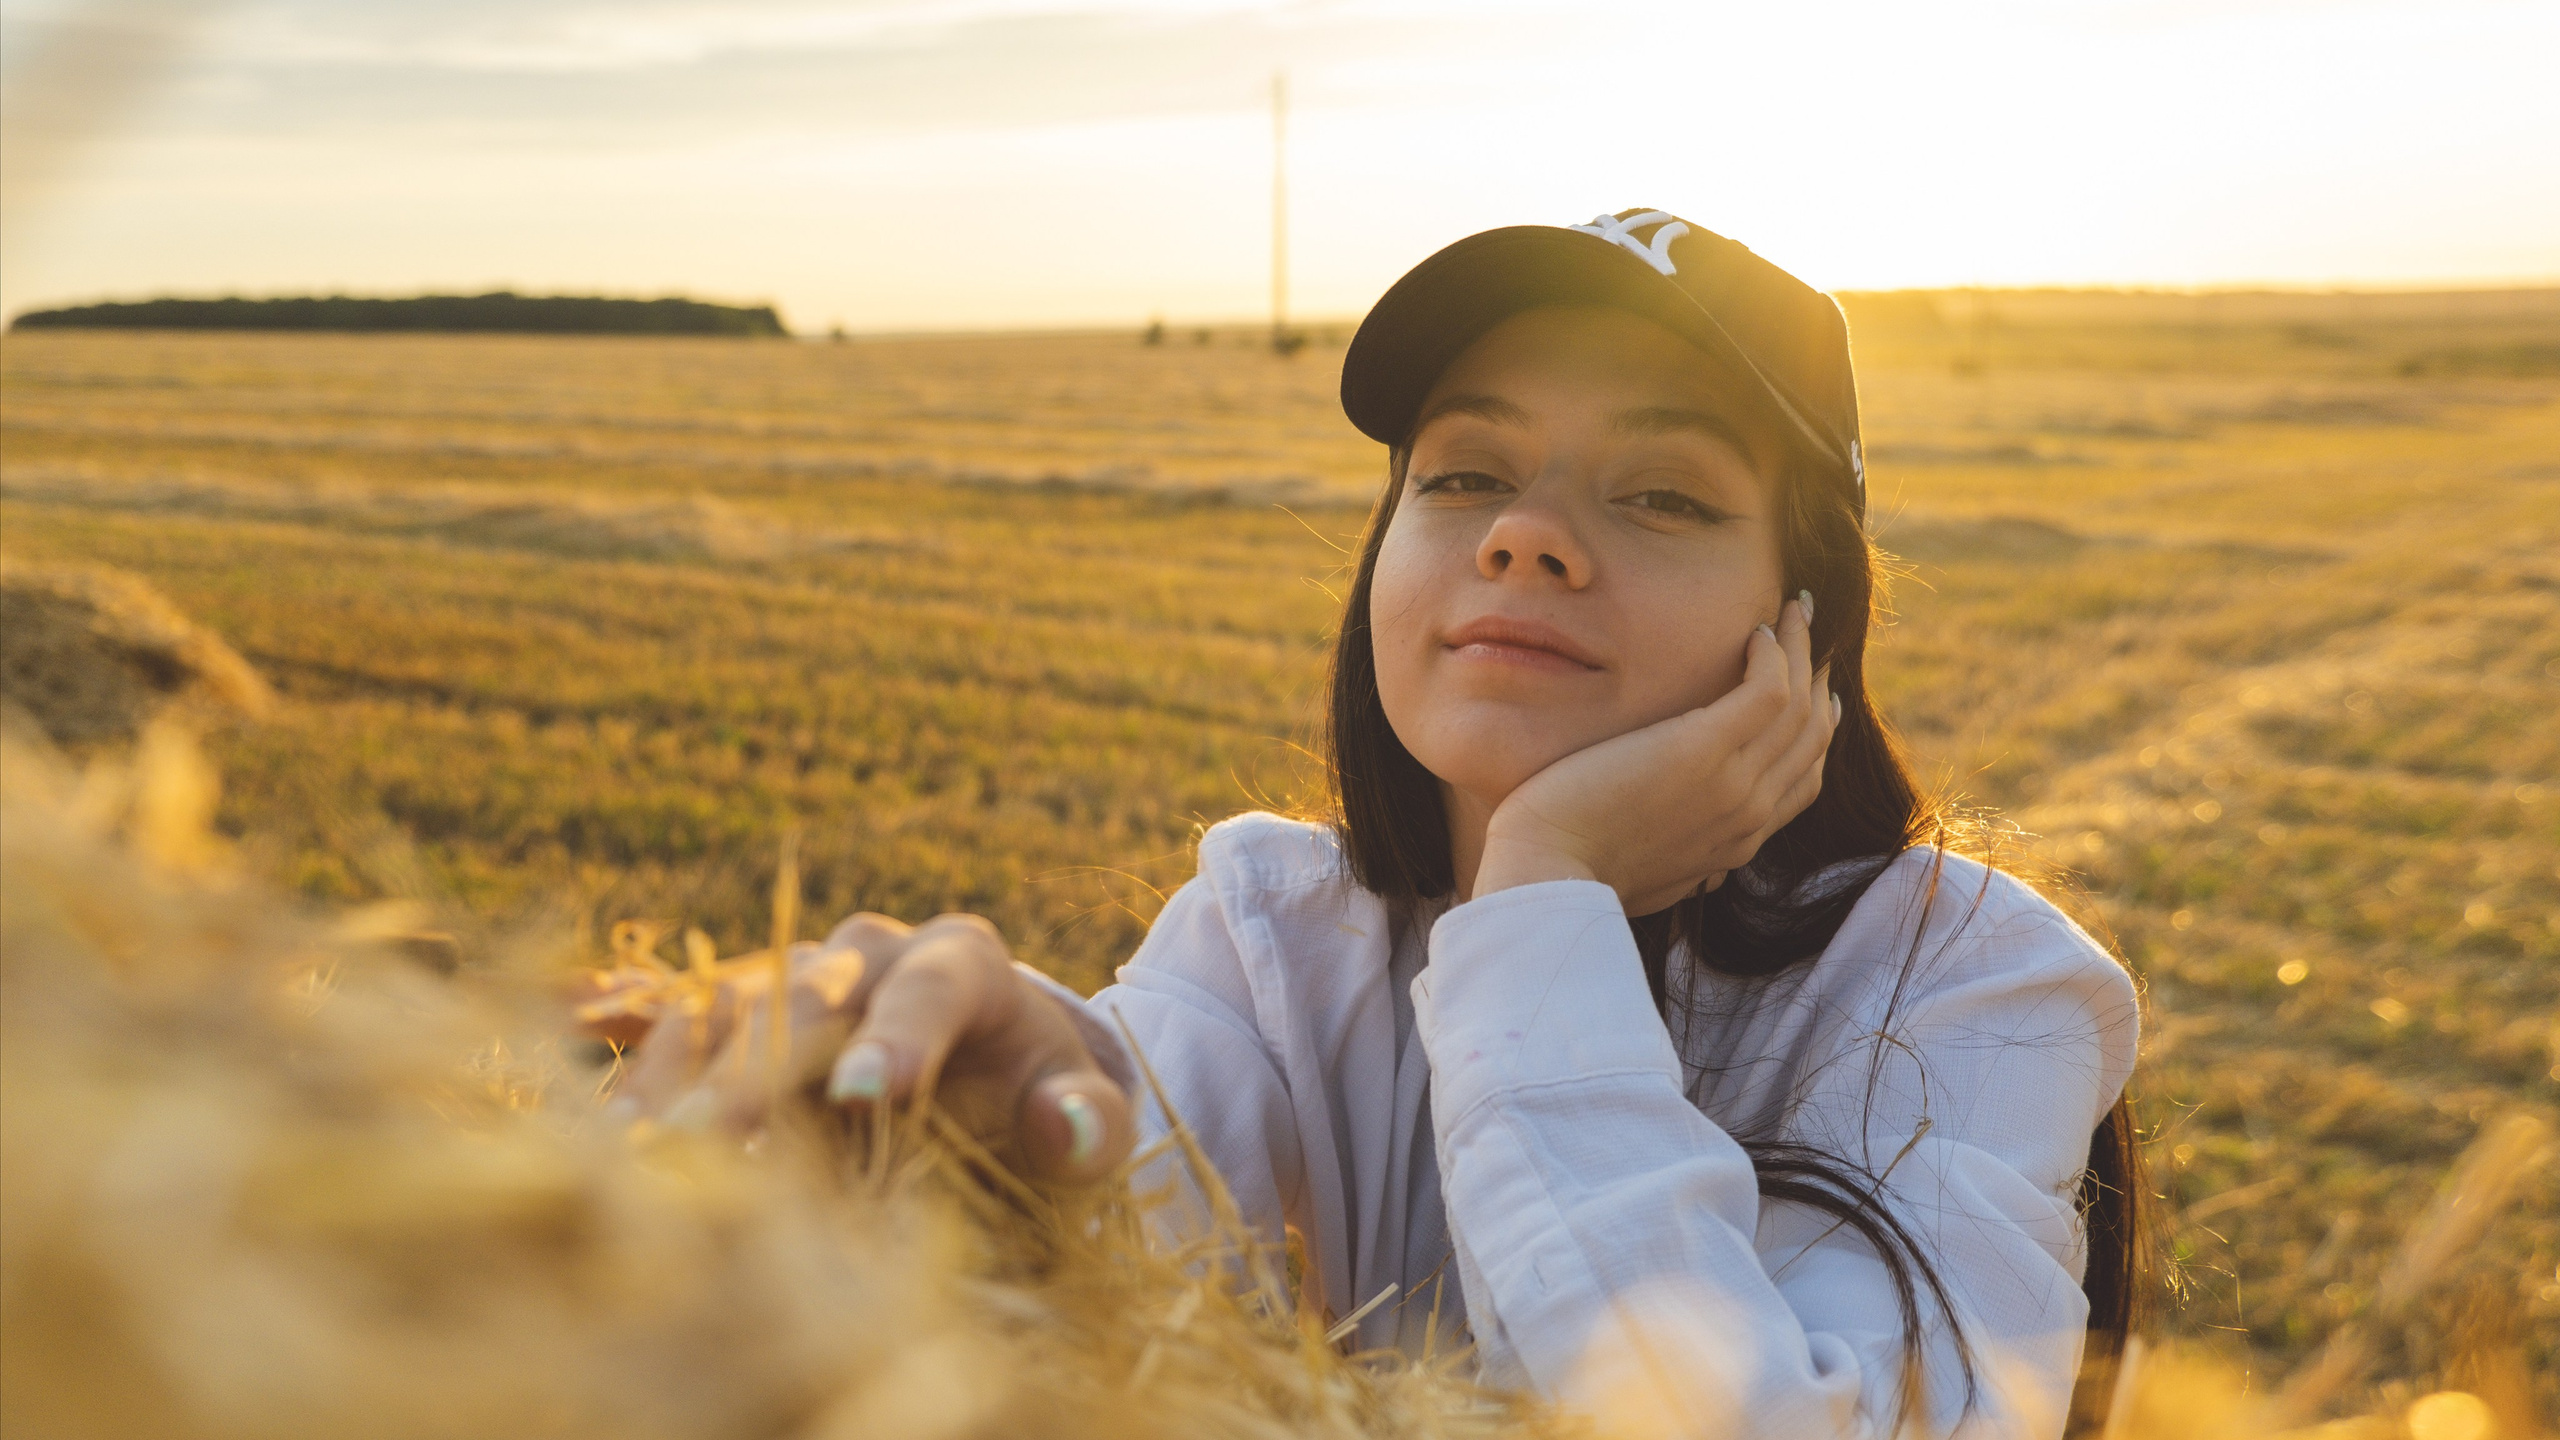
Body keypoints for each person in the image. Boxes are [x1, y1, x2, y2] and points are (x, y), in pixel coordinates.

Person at [607, 209, 2145, 1440]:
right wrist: (976, 1161)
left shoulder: (1973, 983)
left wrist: (1546, 889)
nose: (1521, 535)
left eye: (1664, 496)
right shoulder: (1273, 928)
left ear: (1804, 628)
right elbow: (1114, 1266)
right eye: (1464, 471)